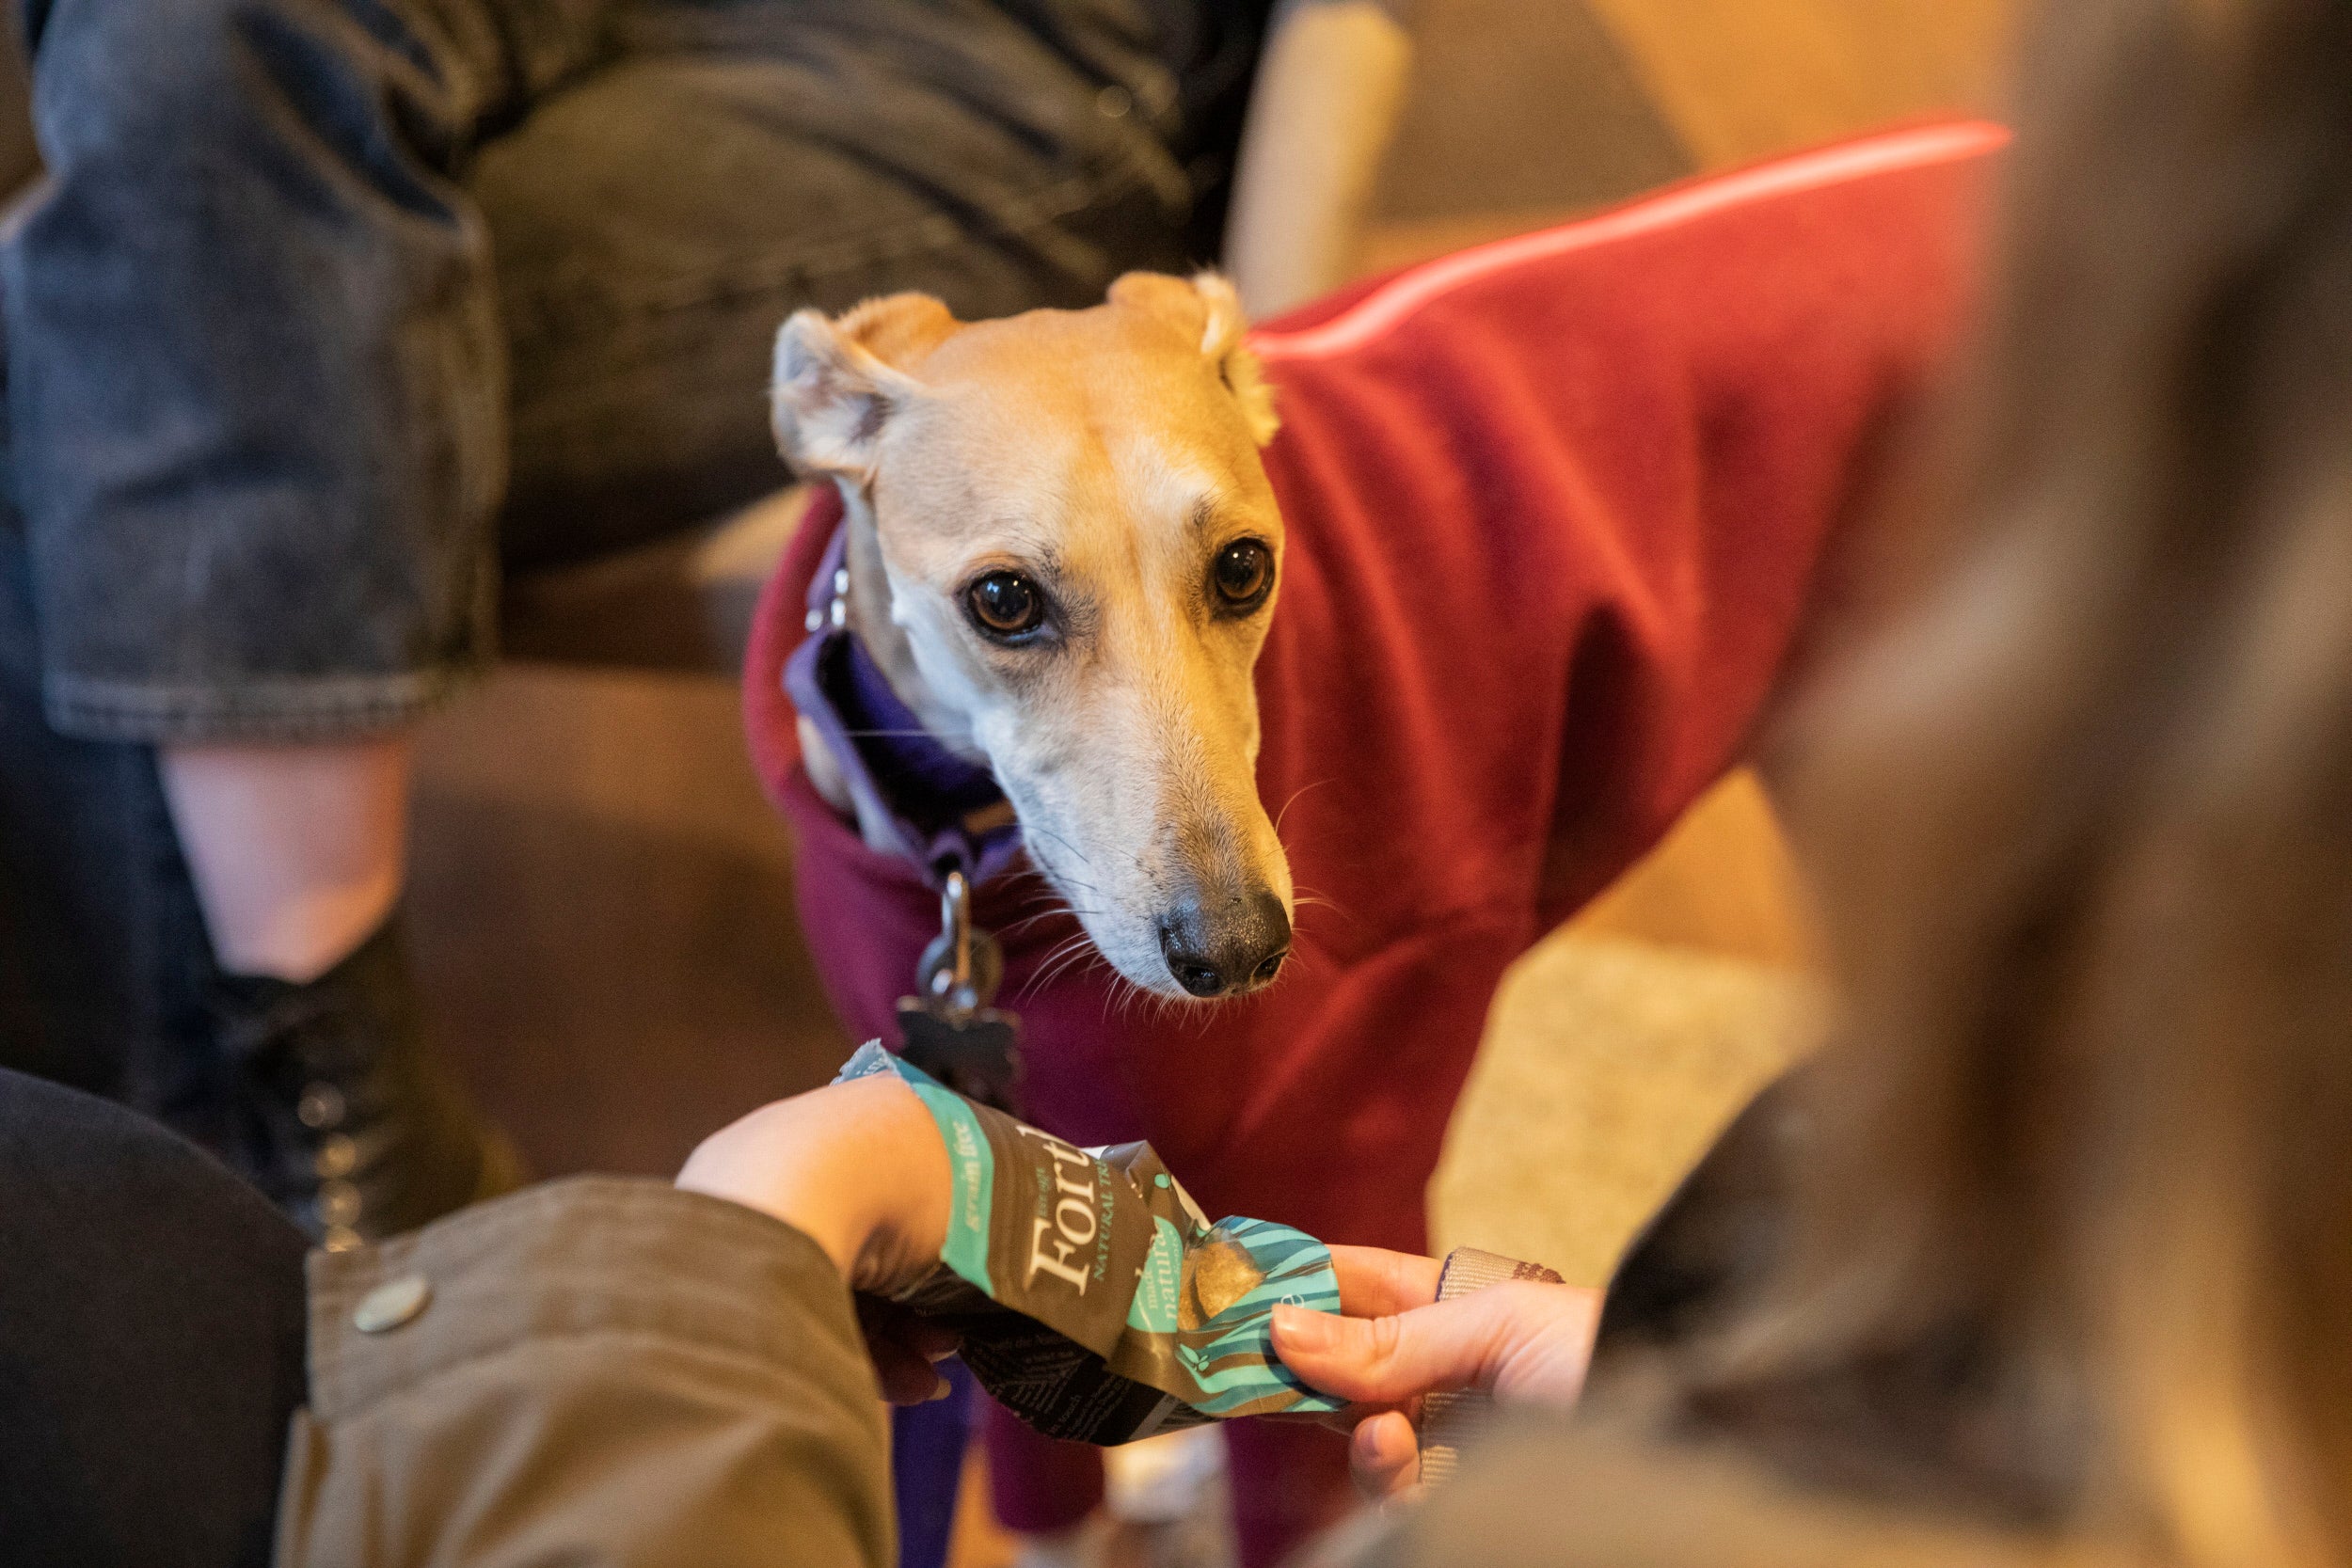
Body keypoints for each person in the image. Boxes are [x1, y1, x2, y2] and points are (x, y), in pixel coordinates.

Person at [11, 0, 2349, 1562]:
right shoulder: (838, 684)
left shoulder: (1327, 732)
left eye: (1228, 581)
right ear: (838, 460)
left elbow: (1337, 1319)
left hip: (1971, 332)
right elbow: (1001, 1172)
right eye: (1017, 615)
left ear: (1245, 424)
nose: (1212, 853)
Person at [0, 0, 1273, 1246]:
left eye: (1234, 579)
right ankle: (288, 1128)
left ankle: (271, 1154)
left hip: (961, 43)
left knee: (99, 354)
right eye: (1010, 604)